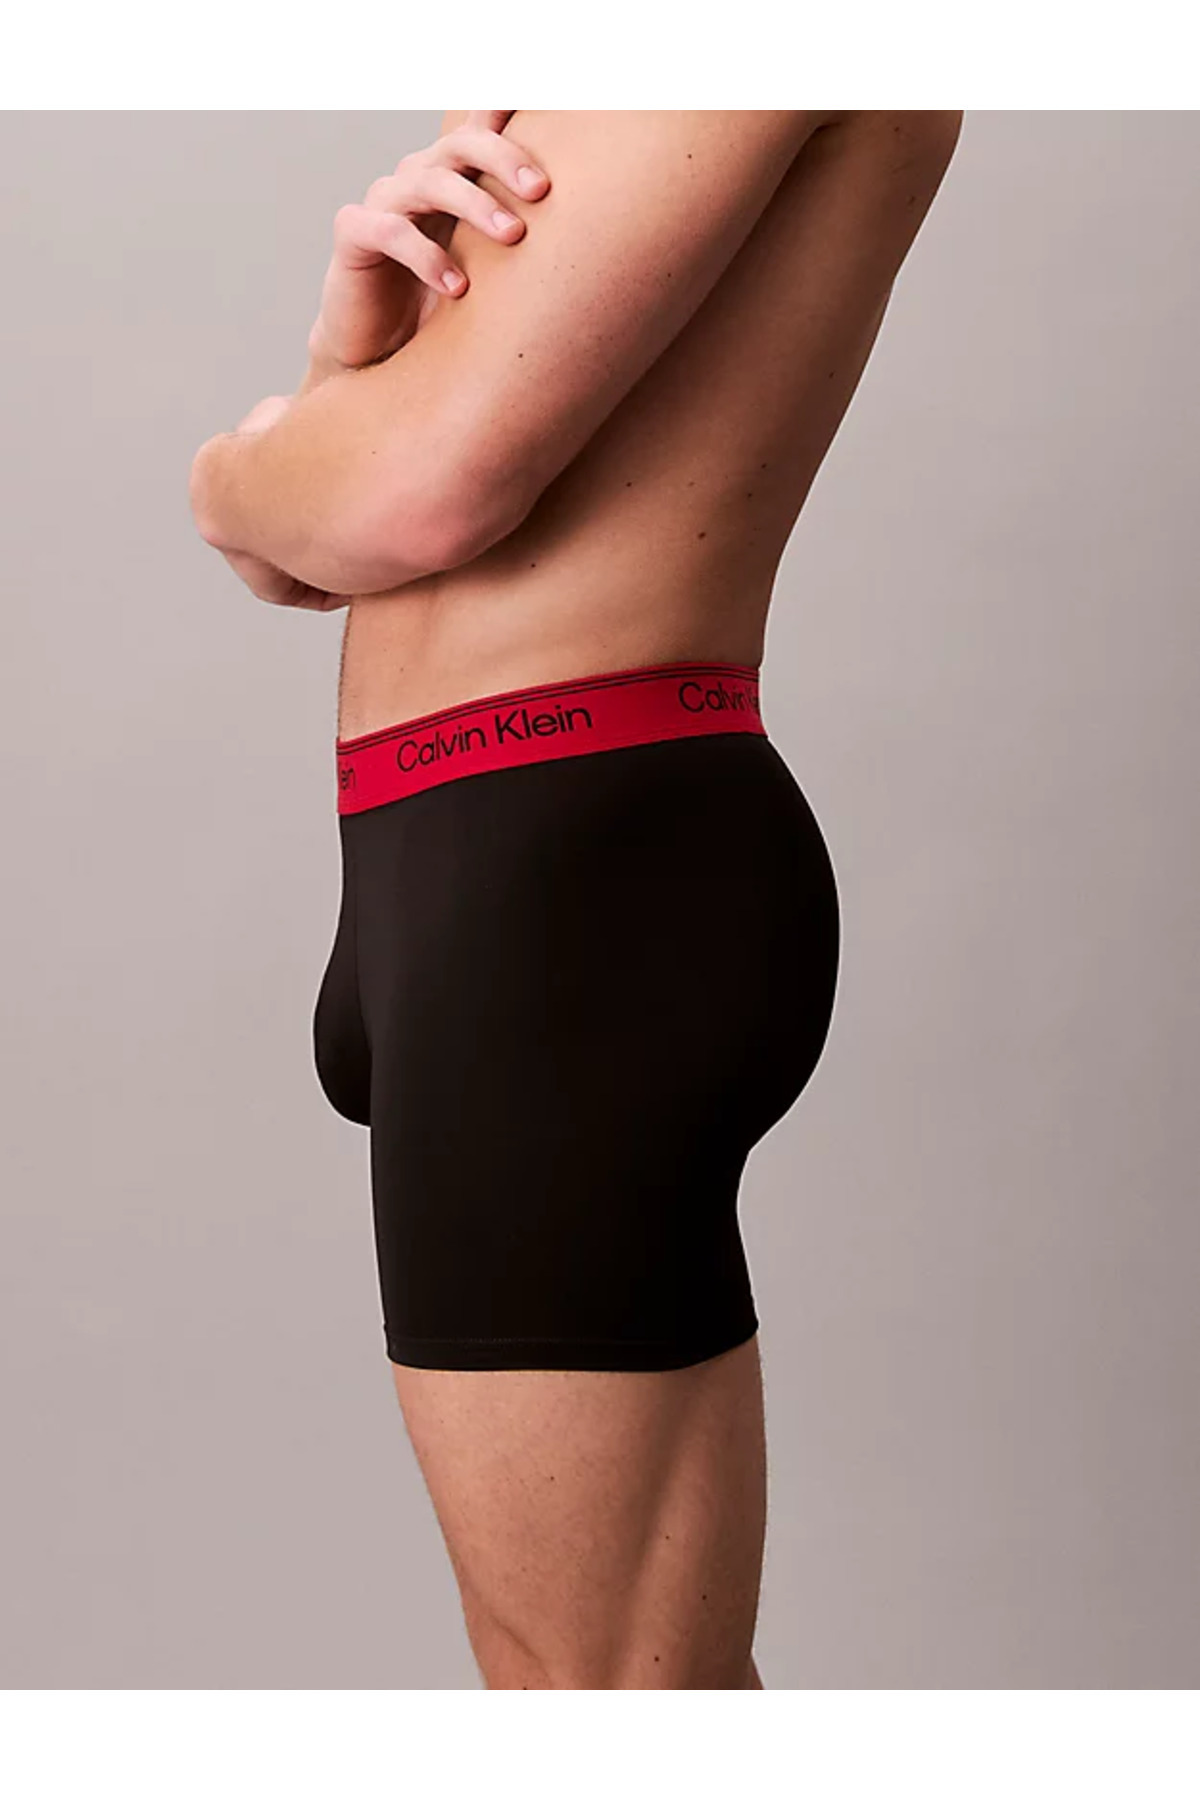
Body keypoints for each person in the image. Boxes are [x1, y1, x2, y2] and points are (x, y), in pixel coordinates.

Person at [189, 108, 962, 1689]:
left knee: (597, 1696)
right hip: (482, 856)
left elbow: (410, 503)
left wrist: (230, 468)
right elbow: (322, 550)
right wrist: (343, 387)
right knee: (616, 1688)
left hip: (565, 883)